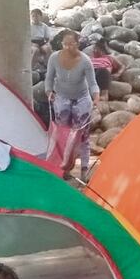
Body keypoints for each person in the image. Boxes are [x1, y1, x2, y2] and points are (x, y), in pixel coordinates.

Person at [45, 32, 99, 180]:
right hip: (62, 97)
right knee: (63, 134)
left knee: (82, 135)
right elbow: (49, 78)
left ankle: (84, 169)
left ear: (78, 44)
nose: (68, 47)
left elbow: (93, 83)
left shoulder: (85, 61)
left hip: (81, 98)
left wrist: (96, 96)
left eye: (72, 44)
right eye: (65, 44)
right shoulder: (54, 58)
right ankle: (64, 168)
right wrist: (49, 91)